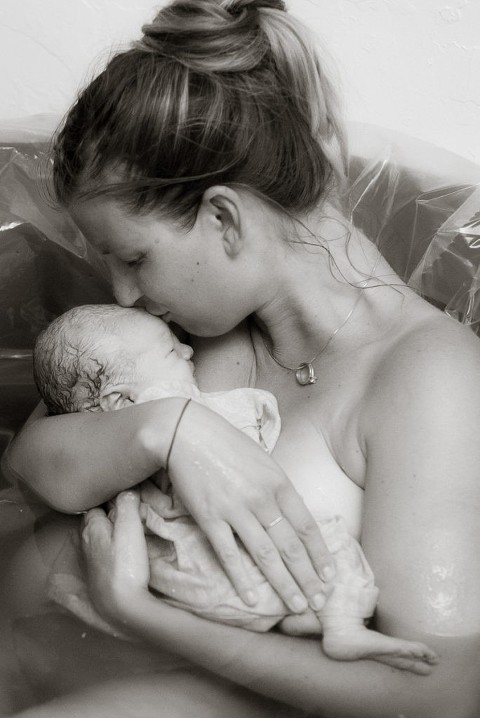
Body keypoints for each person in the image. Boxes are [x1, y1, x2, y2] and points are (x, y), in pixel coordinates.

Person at [4, 0, 480, 716]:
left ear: (223, 218)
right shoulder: (208, 324)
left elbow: (443, 692)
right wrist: (165, 430)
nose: (125, 294)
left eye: (134, 258)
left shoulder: (426, 380)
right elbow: (34, 460)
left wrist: (142, 611)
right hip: (38, 658)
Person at [33, 302, 437, 672]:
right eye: (173, 352)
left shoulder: (114, 420)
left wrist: (131, 605)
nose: (187, 352)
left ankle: (300, 618)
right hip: (238, 583)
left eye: (136, 259)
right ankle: (340, 623)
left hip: (178, 586)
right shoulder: (170, 400)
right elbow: (253, 430)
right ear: (119, 401)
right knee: (328, 539)